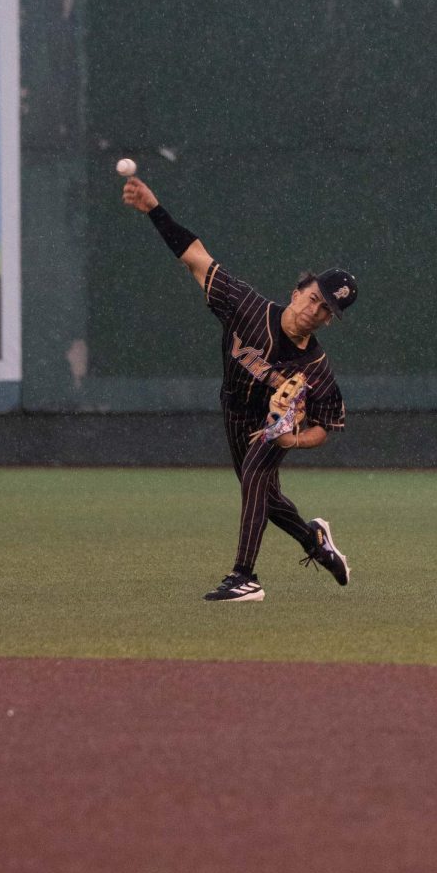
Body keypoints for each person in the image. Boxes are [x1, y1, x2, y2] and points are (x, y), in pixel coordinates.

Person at [122, 175, 356, 602]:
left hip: (272, 424)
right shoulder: (247, 306)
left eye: (326, 310)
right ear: (297, 291)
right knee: (263, 494)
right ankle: (315, 541)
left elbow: (327, 426)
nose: (315, 311)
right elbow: (195, 258)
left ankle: (244, 576)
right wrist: (154, 209)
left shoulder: (317, 367)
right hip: (233, 409)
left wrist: (294, 439)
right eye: (314, 298)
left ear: (328, 321)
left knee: (255, 473)